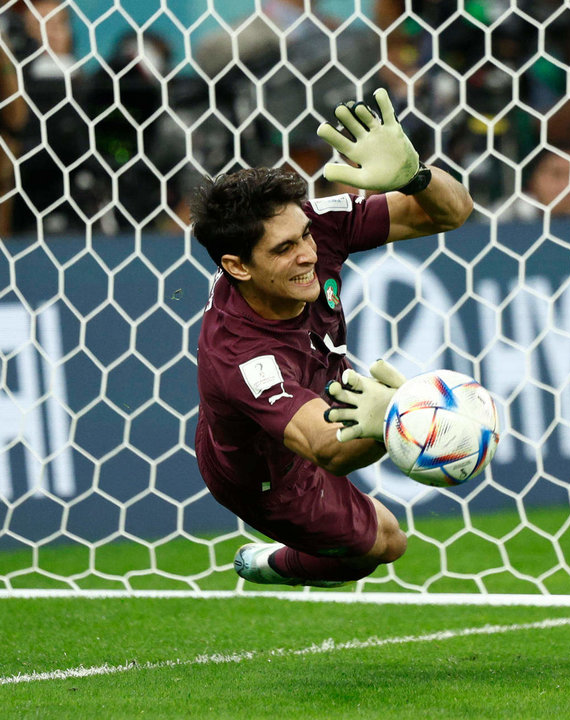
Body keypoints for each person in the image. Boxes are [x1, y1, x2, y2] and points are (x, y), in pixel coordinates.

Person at [190, 88, 473, 587]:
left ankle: (278, 557)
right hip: (263, 474)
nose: (307, 254)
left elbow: (450, 213)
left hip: (321, 398)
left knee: (386, 542)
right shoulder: (240, 353)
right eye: (284, 249)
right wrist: (398, 418)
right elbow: (326, 448)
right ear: (237, 266)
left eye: (304, 235)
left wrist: (416, 176)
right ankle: (269, 563)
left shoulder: (313, 227)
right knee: (384, 544)